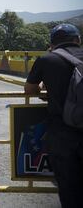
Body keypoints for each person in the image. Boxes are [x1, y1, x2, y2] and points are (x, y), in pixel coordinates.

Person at [25, 24, 83, 208]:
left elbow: (29, 89)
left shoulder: (46, 60)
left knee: (69, 188)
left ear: (51, 43)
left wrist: (45, 88)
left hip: (63, 134)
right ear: (78, 40)